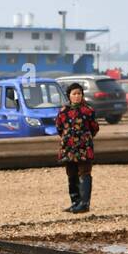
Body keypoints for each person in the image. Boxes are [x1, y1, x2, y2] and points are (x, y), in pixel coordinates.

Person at [56, 82, 99, 214]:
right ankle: (75, 202)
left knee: (85, 173)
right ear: (69, 96)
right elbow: (59, 128)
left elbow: (94, 128)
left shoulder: (88, 111)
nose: (77, 96)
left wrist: (84, 138)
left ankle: (84, 204)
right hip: (68, 149)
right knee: (71, 174)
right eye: (74, 94)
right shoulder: (63, 112)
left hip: (84, 148)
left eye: (79, 93)